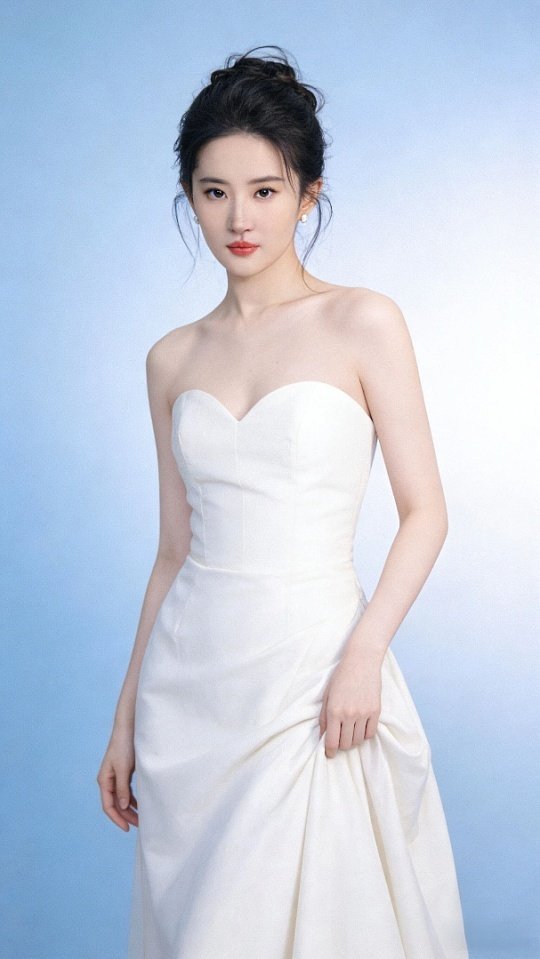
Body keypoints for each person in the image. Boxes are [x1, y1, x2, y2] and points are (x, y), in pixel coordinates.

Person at [97, 44, 469, 959]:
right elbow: (173, 550)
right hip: (192, 685)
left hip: (315, 669)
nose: (239, 217)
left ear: (308, 195)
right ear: (189, 197)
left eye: (265, 190)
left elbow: (426, 511)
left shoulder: (363, 320)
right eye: (214, 191)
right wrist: (126, 715)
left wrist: (364, 654)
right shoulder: (171, 358)